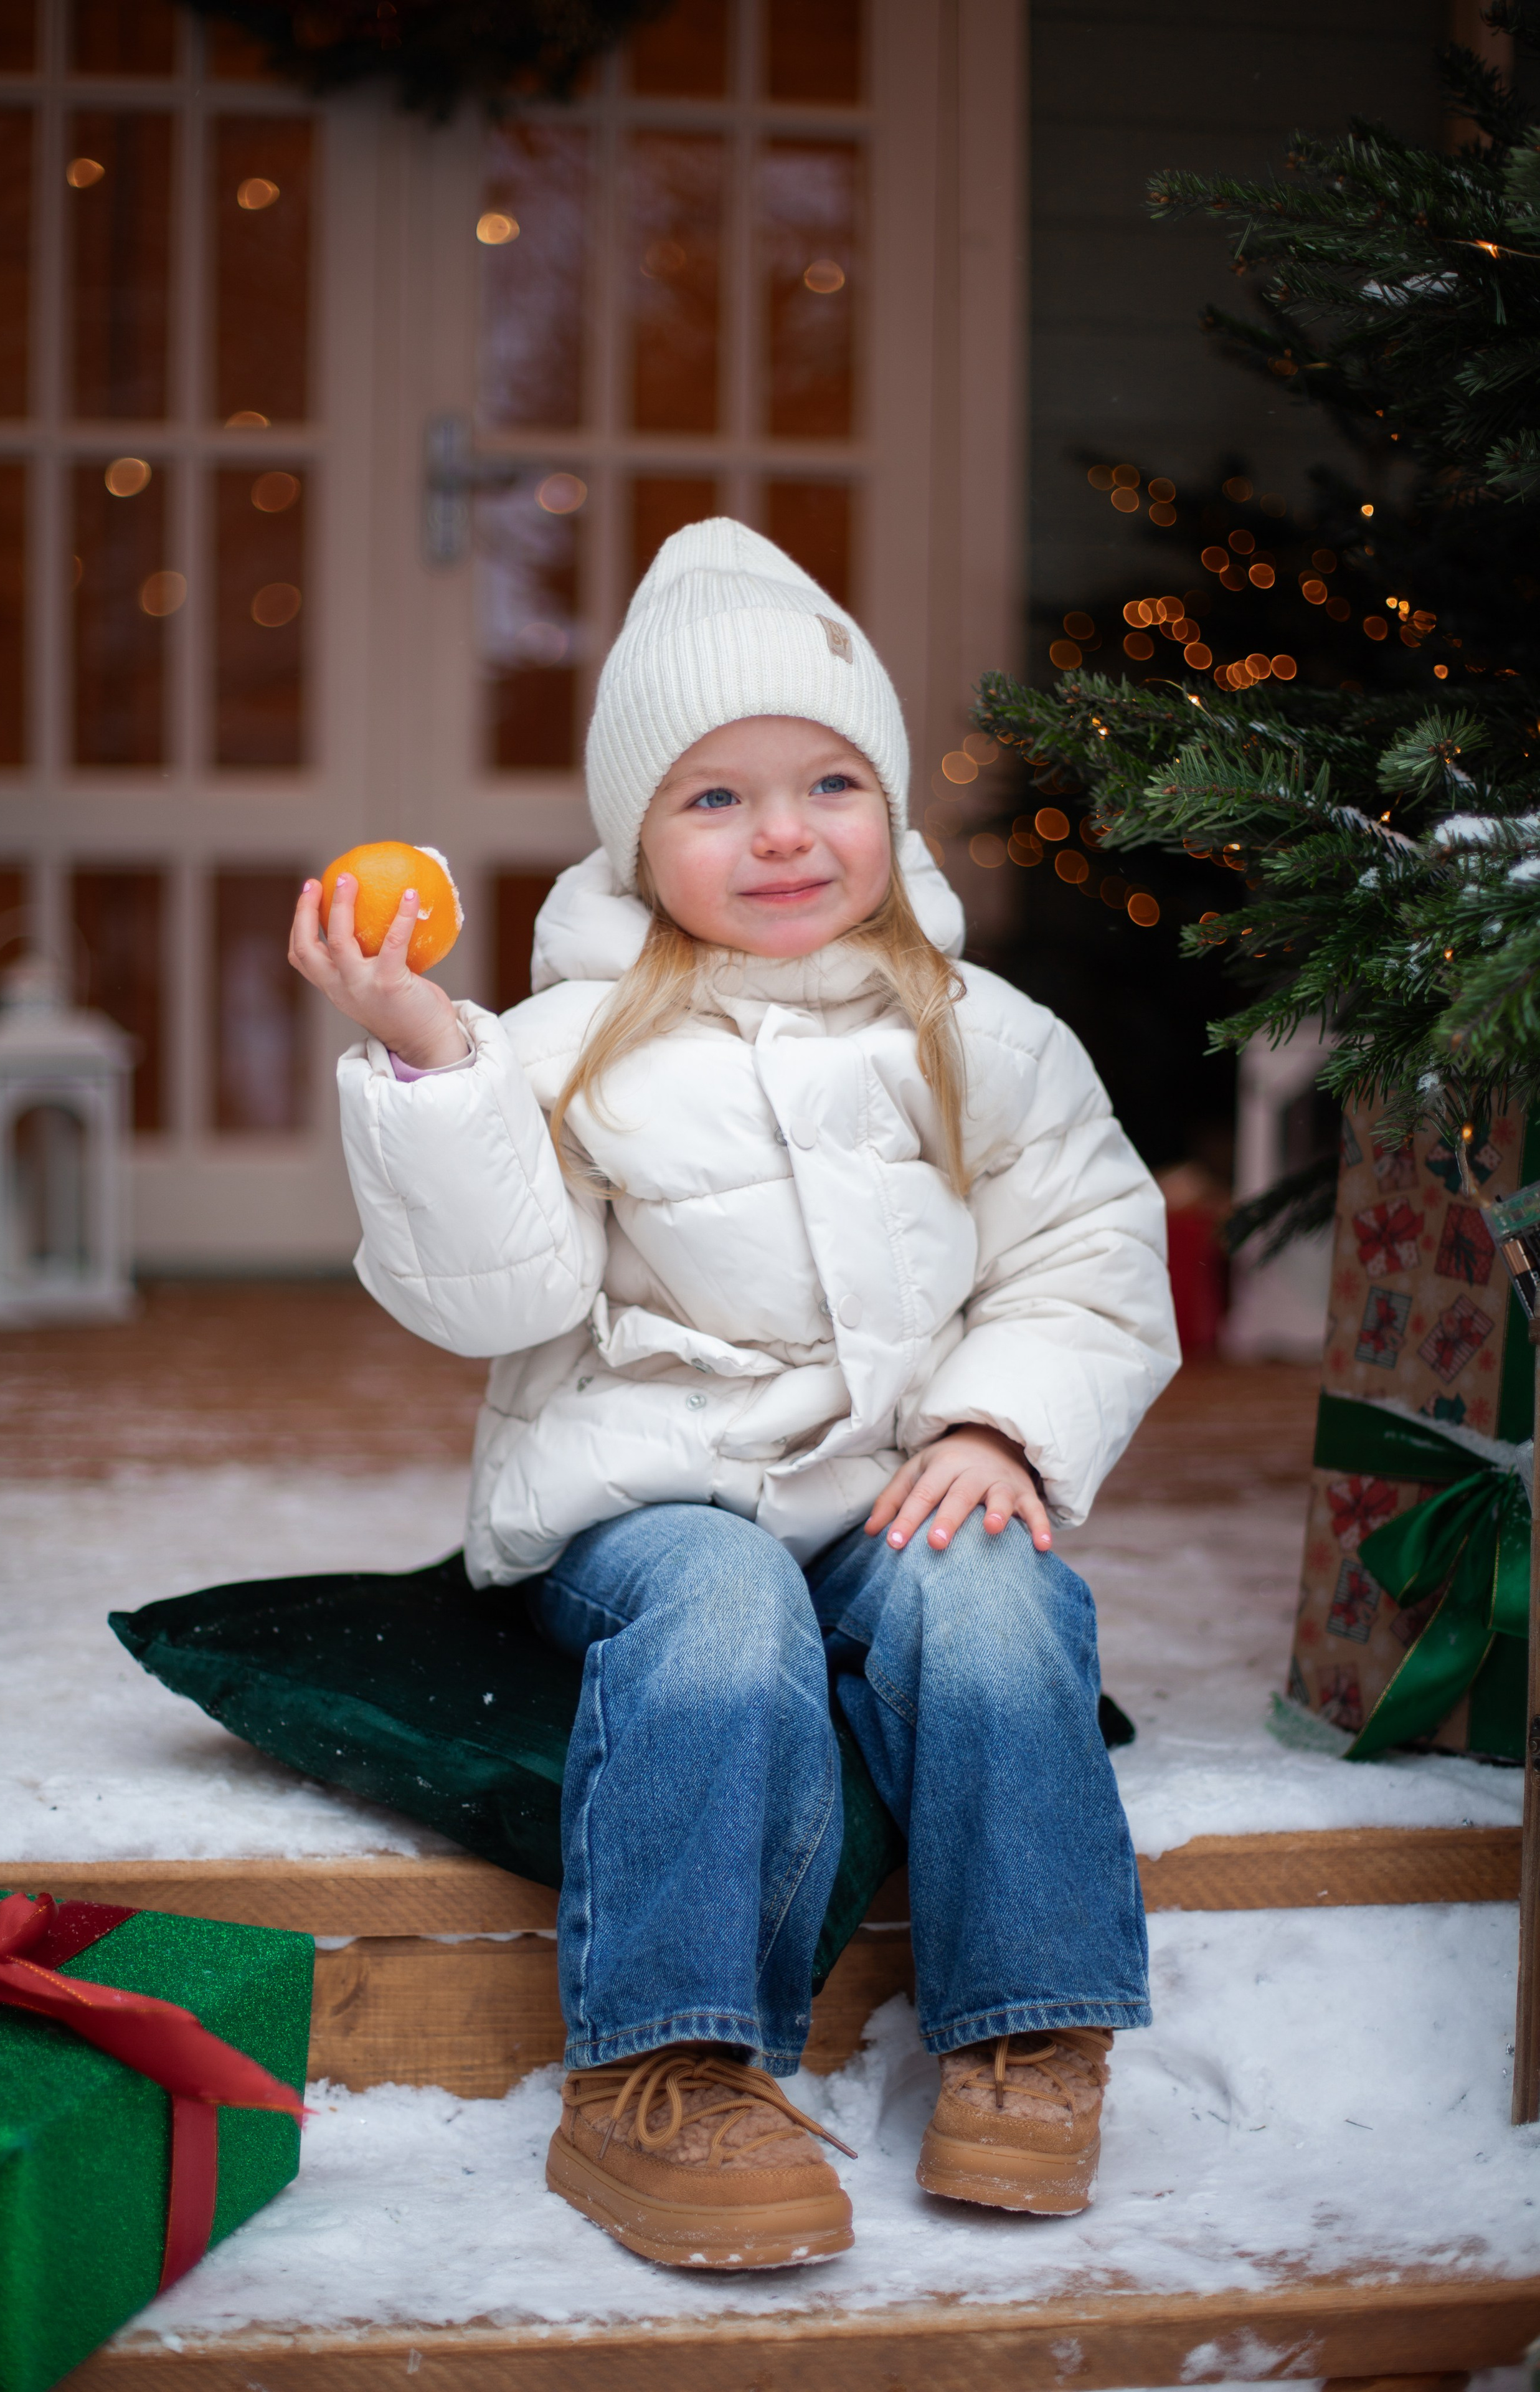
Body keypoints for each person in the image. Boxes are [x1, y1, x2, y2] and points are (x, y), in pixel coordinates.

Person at [290, 520, 1178, 2272]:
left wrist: (999, 1422)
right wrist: (427, 1062)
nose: (783, 833)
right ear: (638, 835)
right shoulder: (566, 1043)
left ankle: (1029, 2023)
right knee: (716, 1610)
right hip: (650, 1496)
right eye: (715, 800)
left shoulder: (983, 1031)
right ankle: (666, 2067)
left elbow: (1087, 1247)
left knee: (995, 1606)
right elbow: (502, 1294)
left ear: (891, 805)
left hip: (891, 1481)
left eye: (830, 781)